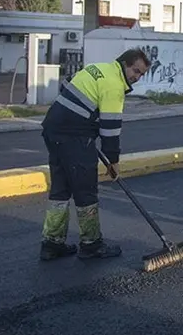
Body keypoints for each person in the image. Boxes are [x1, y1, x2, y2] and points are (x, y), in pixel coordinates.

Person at [38, 48, 151, 261]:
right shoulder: (114, 86)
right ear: (124, 64)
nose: (137, 77)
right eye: (136, 71)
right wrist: (113, 162)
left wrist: (85, 117)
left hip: (53, 129)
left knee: (61, 189)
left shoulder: (97, 68)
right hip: (74, 137)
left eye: (142, 74)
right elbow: (110, 130)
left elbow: (66, 85)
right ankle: (91, 244)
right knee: (86, 190)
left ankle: (52, 244)